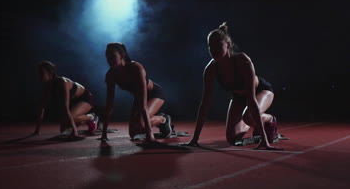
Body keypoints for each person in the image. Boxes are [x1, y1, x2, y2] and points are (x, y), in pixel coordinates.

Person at [185, 22, 282, 150]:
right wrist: (195, 139)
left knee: (248, 116)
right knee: (232, 138)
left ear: (228, 45)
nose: (214, 50)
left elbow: (252, 100)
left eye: (218, 45)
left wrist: (264, 140)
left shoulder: (243, 61)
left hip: (261, 91)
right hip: (238, 96)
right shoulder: (211, 69)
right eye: (210, 47)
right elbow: (205, 104)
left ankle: (269, 120)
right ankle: (256, 123)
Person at [100, 43, 172, 143]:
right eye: (107, 56)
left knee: (141, 125)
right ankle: (157, 119)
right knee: (133, 133)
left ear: (122, 55)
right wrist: (104, 134)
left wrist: (149, 134)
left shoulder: (136, 68)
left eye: (113, 56)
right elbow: (109, 106)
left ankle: (163, 119)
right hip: (139, 97)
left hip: (155, 94)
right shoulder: (110, 75)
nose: (109, 59)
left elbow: (143, 105)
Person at [33, 61, 99, 137]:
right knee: (63, 129)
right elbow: (42, 108)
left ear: (50, 73)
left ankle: (92, 117)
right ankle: (81, 120)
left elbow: (65, 108)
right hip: (75, 102)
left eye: (41, 73)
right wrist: (36, 130)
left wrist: (75, 131)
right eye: (38, 73)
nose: (39, 76)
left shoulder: (62, 82)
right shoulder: (47, 86)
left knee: (70, 119)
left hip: (86, 98)